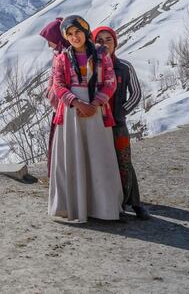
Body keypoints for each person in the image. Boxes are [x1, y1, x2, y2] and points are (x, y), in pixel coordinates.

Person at [48, 15, 123, 222]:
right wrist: (78, 103)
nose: (74, 37)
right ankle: (74, 207)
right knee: (74, 157)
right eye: (69, 34)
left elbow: (110, 82)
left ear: (85, 31)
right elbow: (58, 85)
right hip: (72, 112)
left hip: (96, 111)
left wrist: (95, 103)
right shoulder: (62, 58)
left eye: (77, 32)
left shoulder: (101, 55)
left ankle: (102, 208)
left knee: (98, 157)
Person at [92, 26, 149, 220]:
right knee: (101, 163)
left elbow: (136, 94)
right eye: (99, 40)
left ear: (115, 42)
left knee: (124, 162)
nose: (104, 43)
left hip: (117, 124)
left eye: (109, 39)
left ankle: (134, 202)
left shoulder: (124, 67)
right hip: (95, 124)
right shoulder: (89, 67)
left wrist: (121, 112)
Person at [39, 17, 66, 176]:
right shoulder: (58, 53)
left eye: (50, 40)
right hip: (58, 105)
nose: (49, 44)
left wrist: (52, 93)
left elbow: (58, 81)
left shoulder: (64, 55)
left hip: (62, 107)